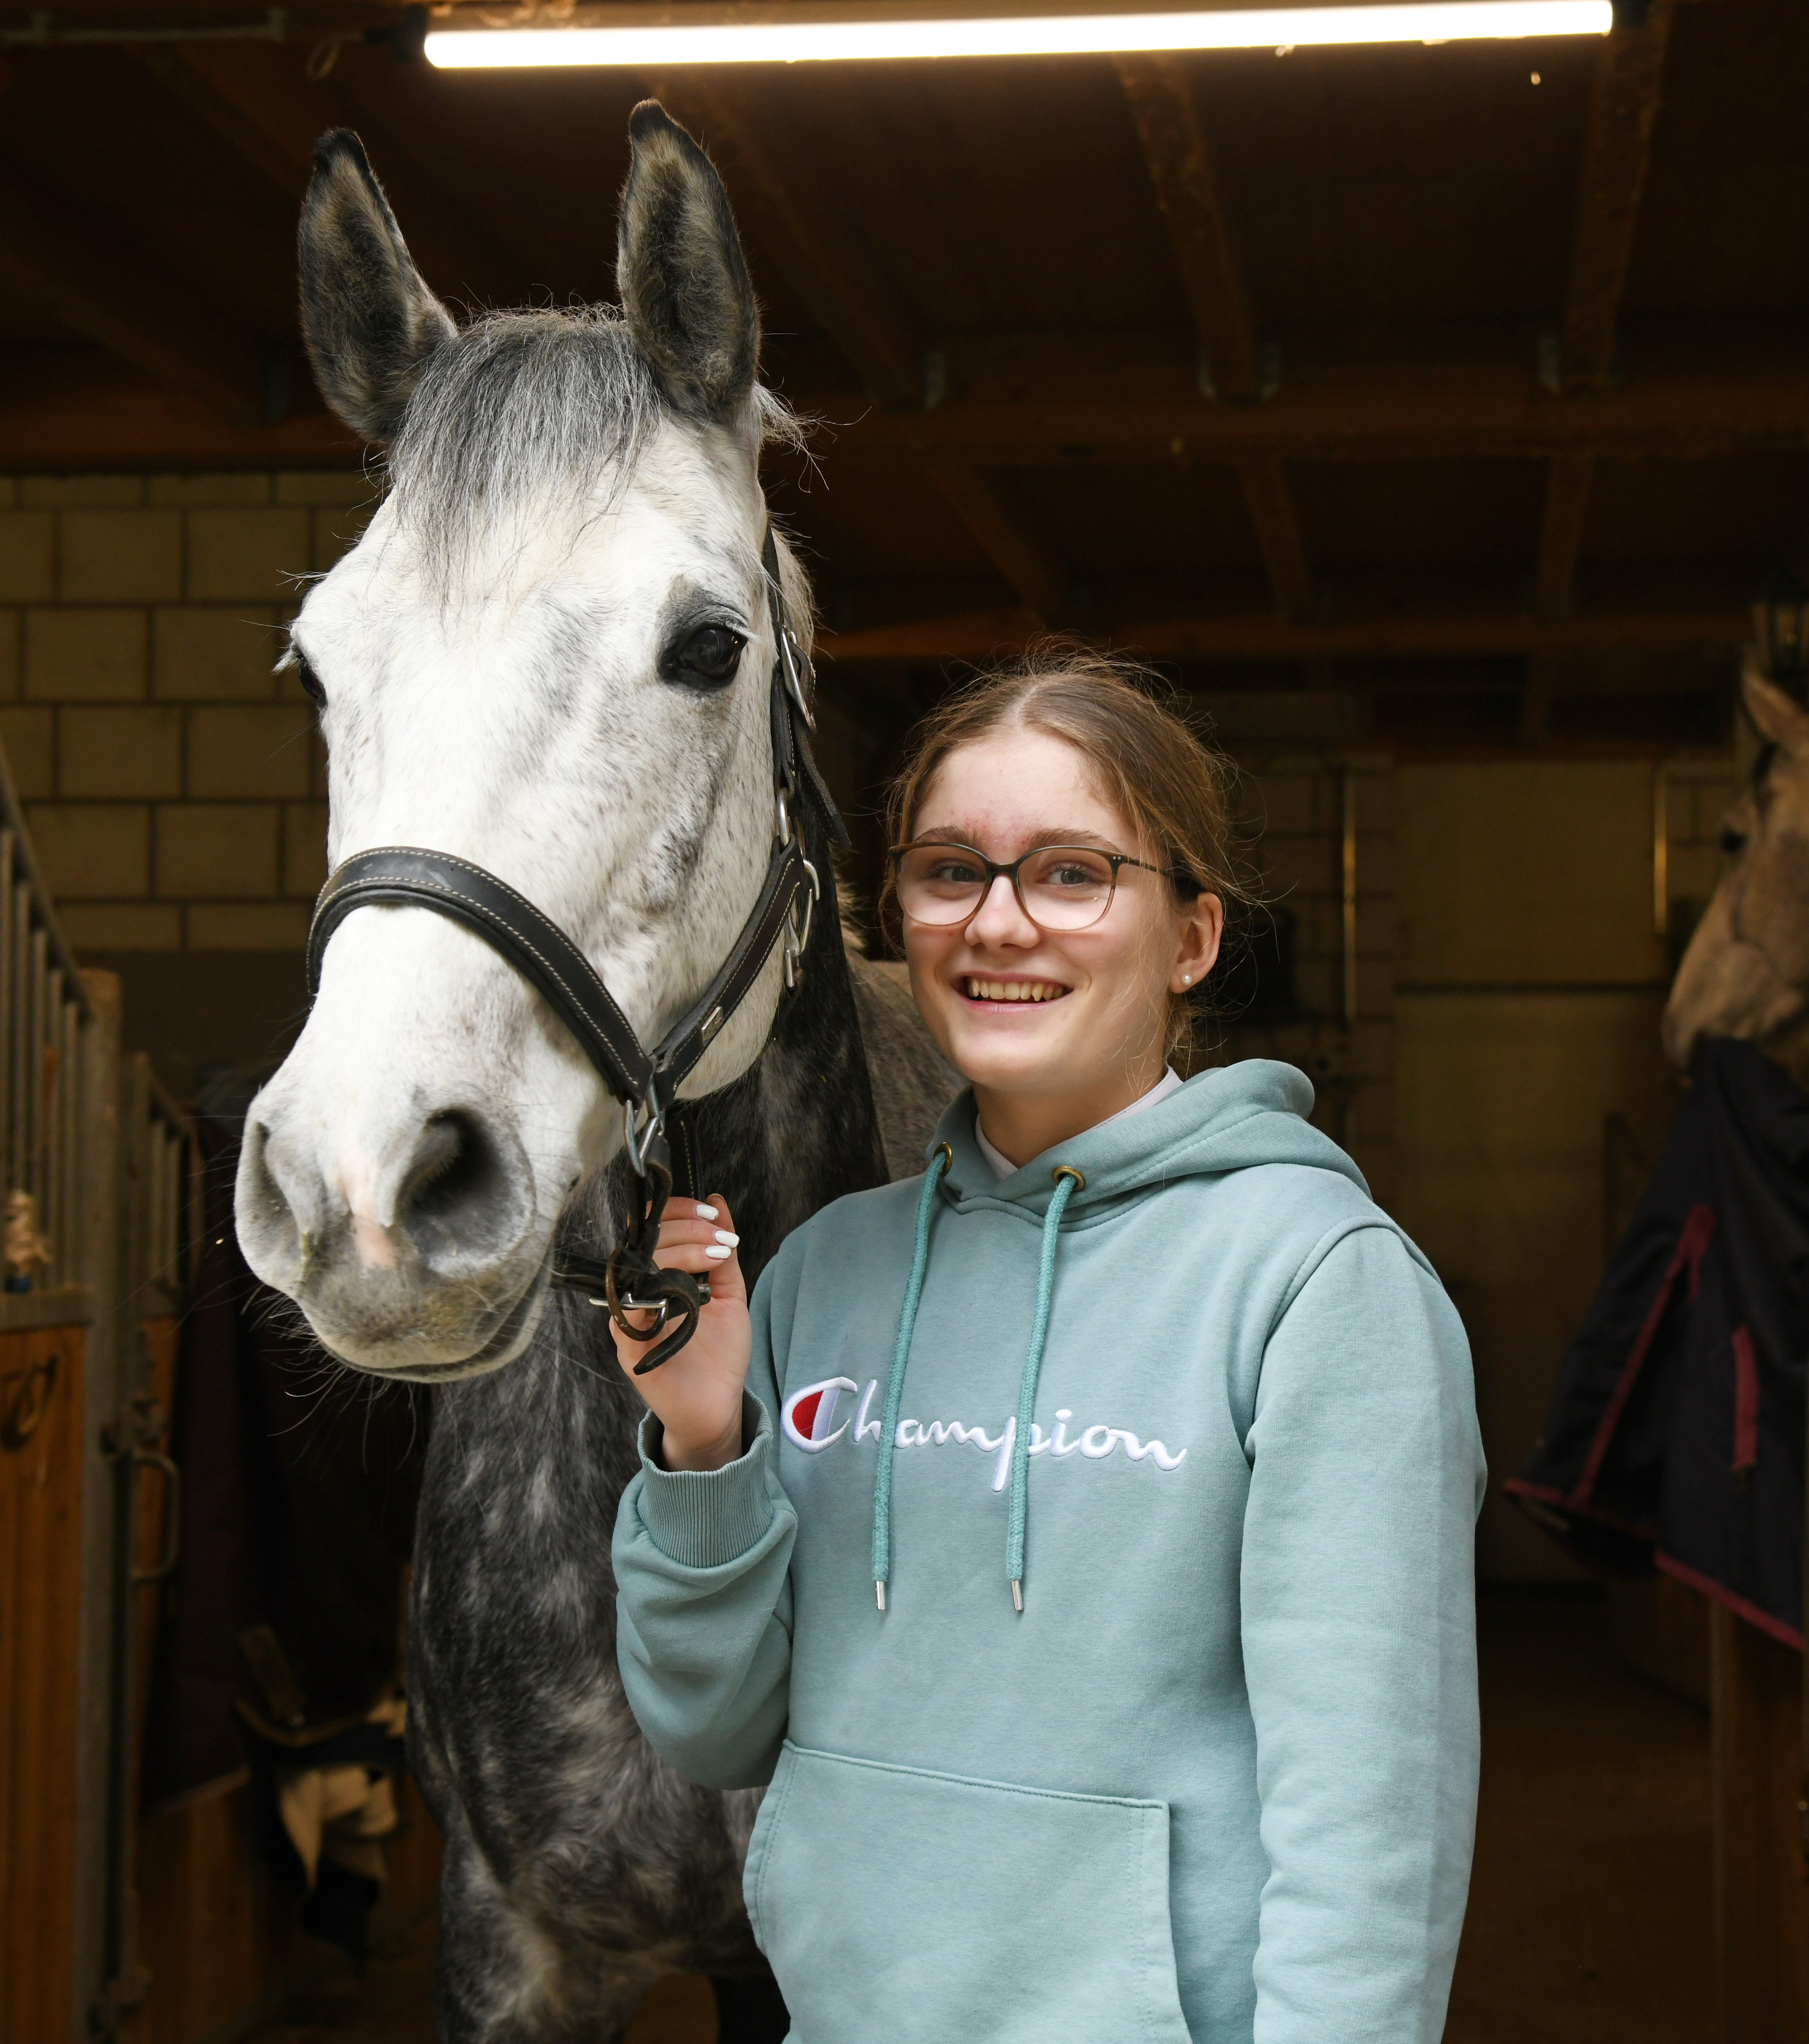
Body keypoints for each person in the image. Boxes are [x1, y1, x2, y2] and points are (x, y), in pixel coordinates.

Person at [608, 649, 1483, 2044]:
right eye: (951, 871)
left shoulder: (1322, 1286)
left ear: (1191, 936)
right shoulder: (824, 1276)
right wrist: (707, 1445)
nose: (999, 924)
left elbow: (1374, 1823)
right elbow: (711, 1736)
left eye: (1072, 874)